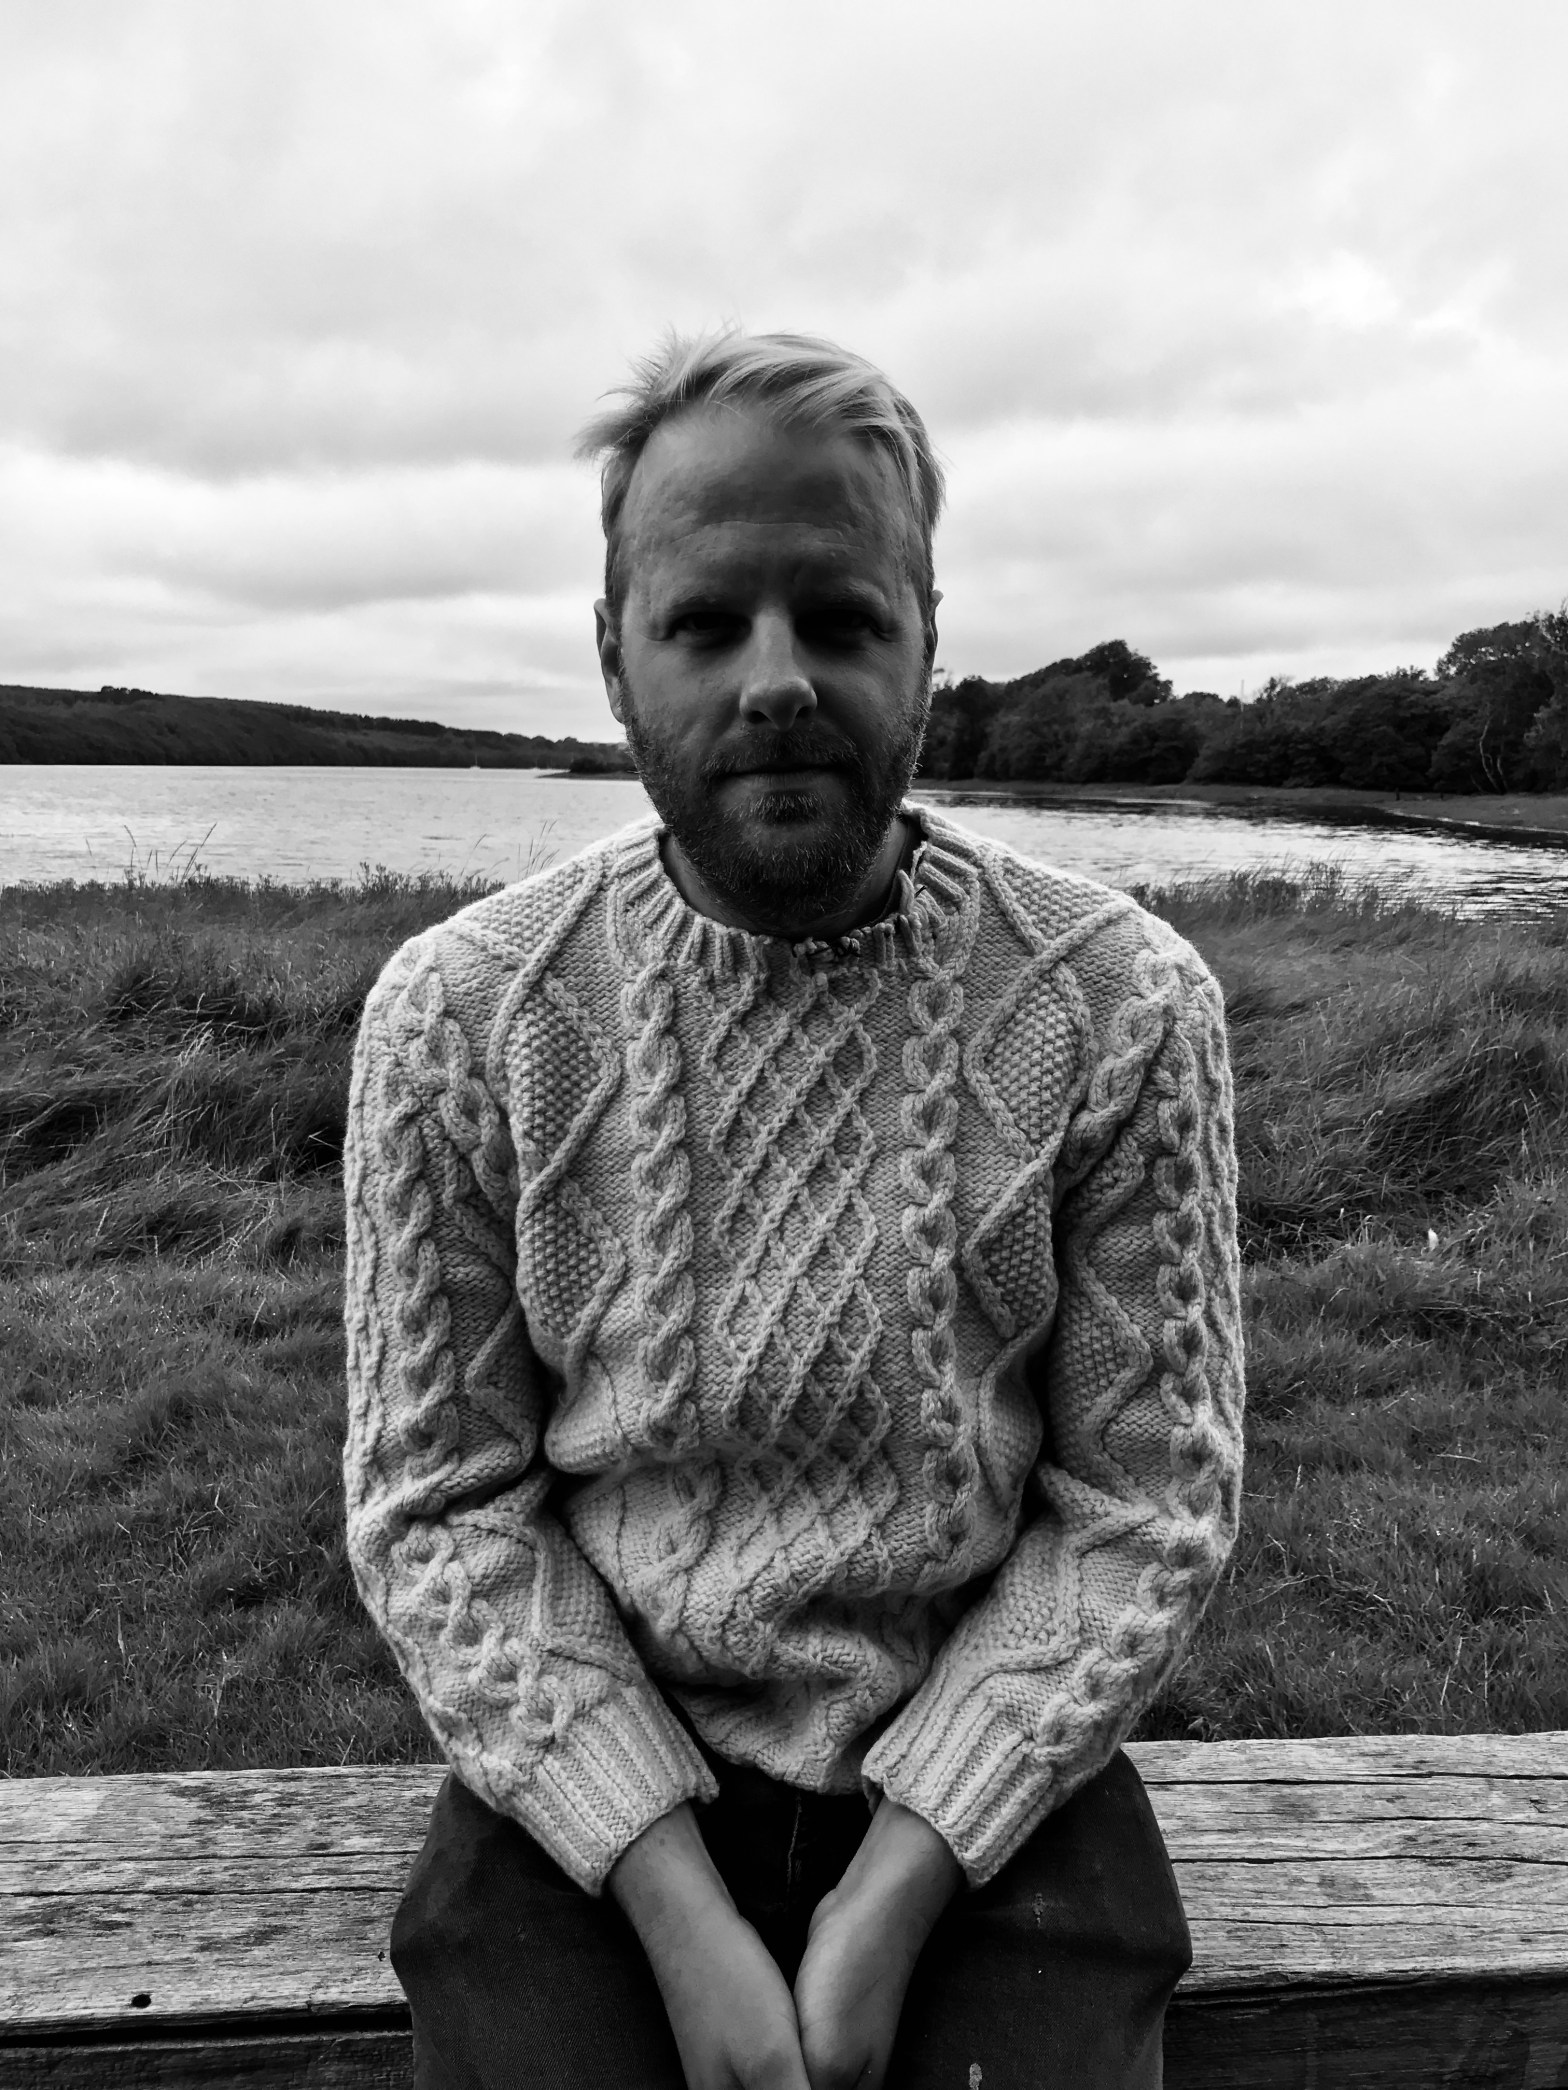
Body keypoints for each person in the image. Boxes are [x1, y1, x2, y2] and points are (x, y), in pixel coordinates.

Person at [342, 328, 1245, 2090]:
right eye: (704, 623)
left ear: (926, 636)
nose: (776, 680)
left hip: (993, 1754)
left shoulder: (1125, 1004)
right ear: (613, 654)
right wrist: (676, 1907)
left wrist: (894, 1890)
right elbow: (440, 1503)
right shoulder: (460, 1017)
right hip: (588, 1758)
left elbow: (1147, 1502)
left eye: (838, 616)